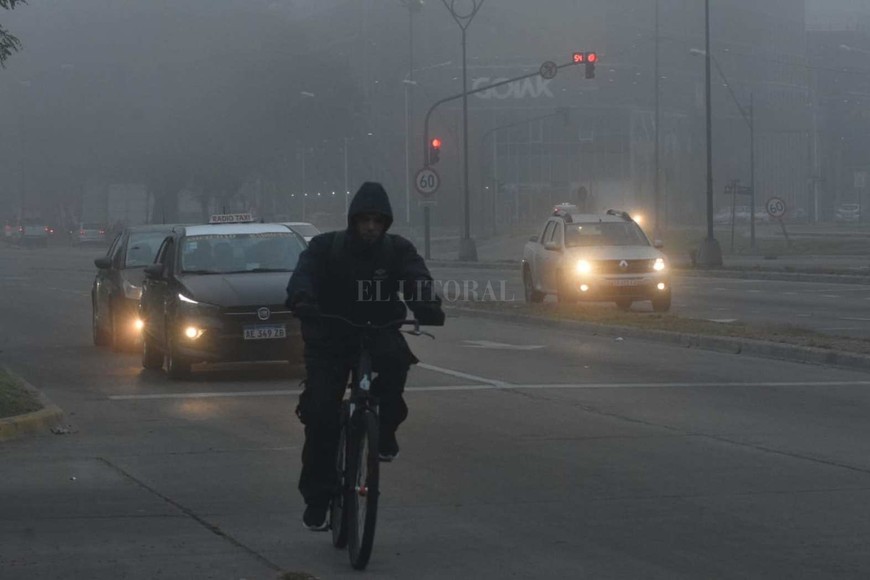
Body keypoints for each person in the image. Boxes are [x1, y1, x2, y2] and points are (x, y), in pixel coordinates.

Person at [285, 181, 445, 531]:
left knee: (396, 362)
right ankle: (317, 498)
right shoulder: (326, 247)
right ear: (353, 220)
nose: (371, 227)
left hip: (377, 332)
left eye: (378, 220)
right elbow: (304, 274)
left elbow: (416, 277)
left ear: (386, 222)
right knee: (321, 414)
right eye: (365, 220)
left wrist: (426, 304)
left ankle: (384, 432)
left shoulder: (397, 250)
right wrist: (302, 298)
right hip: (330, 338)